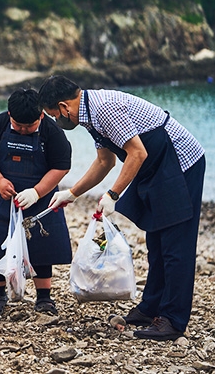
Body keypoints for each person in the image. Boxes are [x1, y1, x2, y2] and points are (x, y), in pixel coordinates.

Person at [38, 75, 206, 341]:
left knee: (176, 245)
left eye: (53, 115)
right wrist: (70, 194)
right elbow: (105, 162)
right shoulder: (89, 117)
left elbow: (137, 153)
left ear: (63, 106)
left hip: (180, 163)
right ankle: (151, 309)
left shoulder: (104, 108)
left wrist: (113, 194)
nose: (56, 121)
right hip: (155, 167)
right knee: (156, 240)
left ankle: (173, 320)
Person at [0, 88, 72, 319]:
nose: (25, 130)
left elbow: (61, 166)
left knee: (42, 245)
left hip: (41, 197)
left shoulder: (52, 132)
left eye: (30, 126)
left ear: (41, 116)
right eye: (19, 126)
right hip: (5, 194)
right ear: (9, 115)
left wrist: (37, 192)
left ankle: (44, 297)